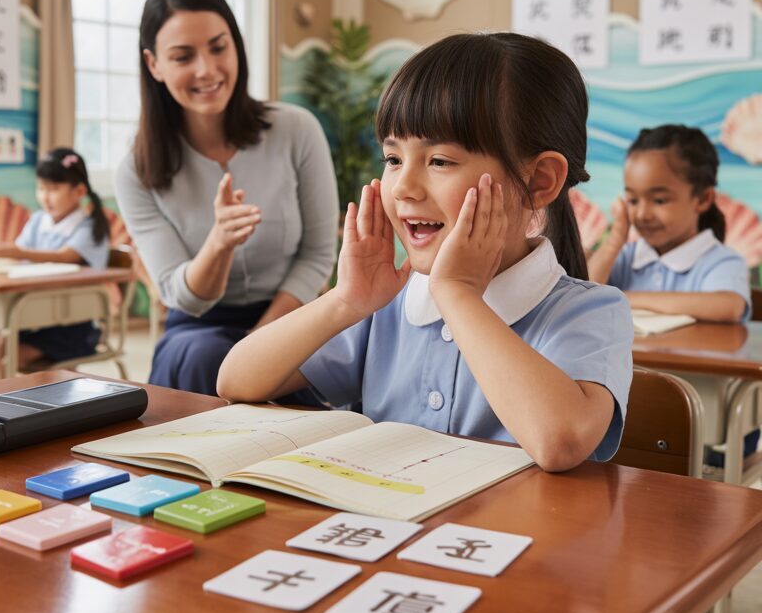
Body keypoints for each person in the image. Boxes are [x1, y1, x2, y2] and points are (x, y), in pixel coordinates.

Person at [218, 32, 634, 473]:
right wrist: (345, 302)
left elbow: (560, 442)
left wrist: (457, 294)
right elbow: (235, 381)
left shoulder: (591, 311)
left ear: (538, 181)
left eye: (439, 161)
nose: (404, 188)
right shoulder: (386, 306)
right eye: (393, 158)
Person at [115, 0, 338, 397]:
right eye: (183, 56)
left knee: (325, 369)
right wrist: (218, 243)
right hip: (198, 327)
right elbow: (182, 296)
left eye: (218, 47)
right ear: (154, 65)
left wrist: (263, 339)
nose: (207, 69)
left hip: (290, 316)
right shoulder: (137, 170)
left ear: (236, 45)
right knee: (204, 356)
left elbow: (318, 254)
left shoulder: (297, 130)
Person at [588, 124, 755, 461]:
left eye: (659, 199)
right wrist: (615, 239)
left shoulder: (721, 260)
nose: (642, 213)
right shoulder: (628, 257)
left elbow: (729, 306)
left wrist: (624, 298)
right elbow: (586, 292)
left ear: (703, 198)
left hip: (707, 425)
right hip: (630, 414)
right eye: (633, 199)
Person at [0, 147, 110, 370]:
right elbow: (17, 259)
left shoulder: (90, 227)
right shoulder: (38, 220)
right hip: (34, 319)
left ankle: (36, 399)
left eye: (53, 189)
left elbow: (67, 257)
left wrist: (17, 252)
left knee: (9, 357)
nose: (45, 196)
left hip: (72, 325)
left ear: (79, 191)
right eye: (41, 188)